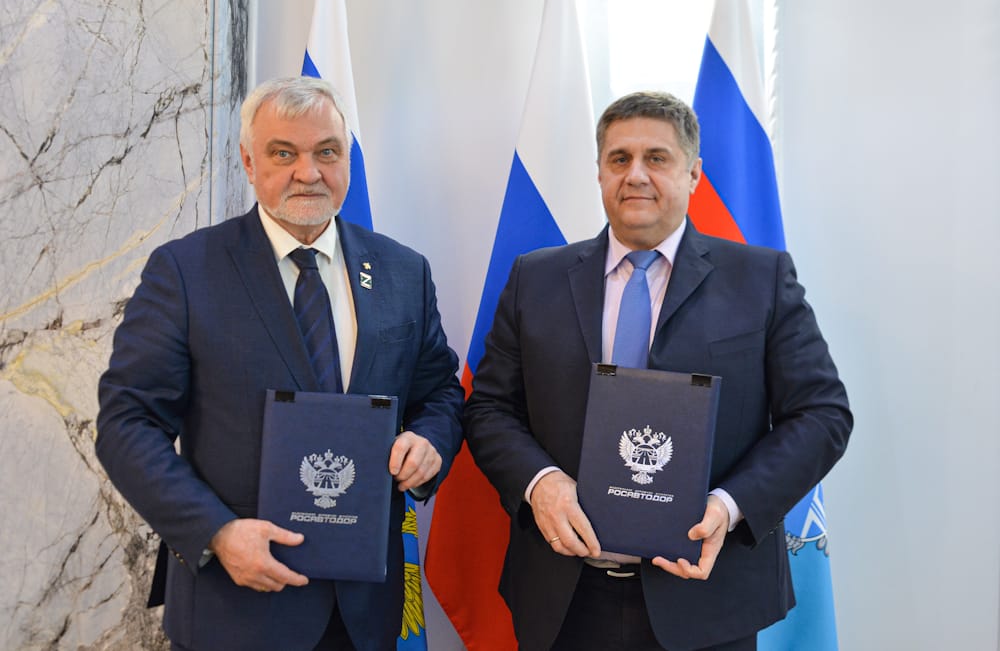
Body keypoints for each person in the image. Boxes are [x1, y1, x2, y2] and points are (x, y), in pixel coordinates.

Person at [464, 91, 852, 651]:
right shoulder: (535, 278)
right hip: (564, 597)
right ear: (600, 172)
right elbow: (489, 408)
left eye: (657, 158)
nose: (636, 175)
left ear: (693, 174)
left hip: (706, 595)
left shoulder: (760, 279)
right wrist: (540, 484)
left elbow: (822, 414)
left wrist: (730, 506)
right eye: (619, 159)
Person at [96, 76, 465, 651]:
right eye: (284, 153)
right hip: (235, 605)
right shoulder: (186, 272)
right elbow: (127, 423)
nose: (308, 172)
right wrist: (216, 532)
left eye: (327, 152)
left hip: (364, 611)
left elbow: (439, 392)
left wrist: (430, 441)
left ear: (347, 160)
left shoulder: (403, 272)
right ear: (249, 162)